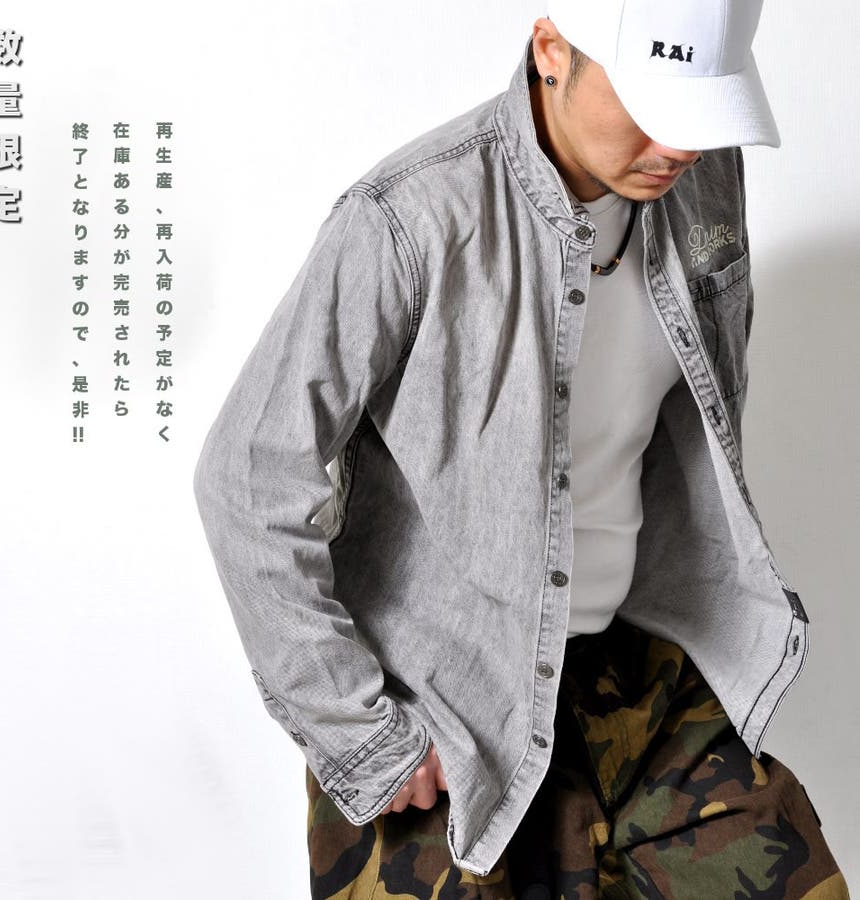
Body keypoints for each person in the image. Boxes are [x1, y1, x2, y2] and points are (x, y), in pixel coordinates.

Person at [193, 2, 850, 896]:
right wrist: (357, 730)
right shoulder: (408, 220)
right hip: (448, 705)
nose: (680, 145)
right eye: (654, 103)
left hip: (641, 664)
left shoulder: (699, 178)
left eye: (704, 109)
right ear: (551, 50)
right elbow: (248, 477)